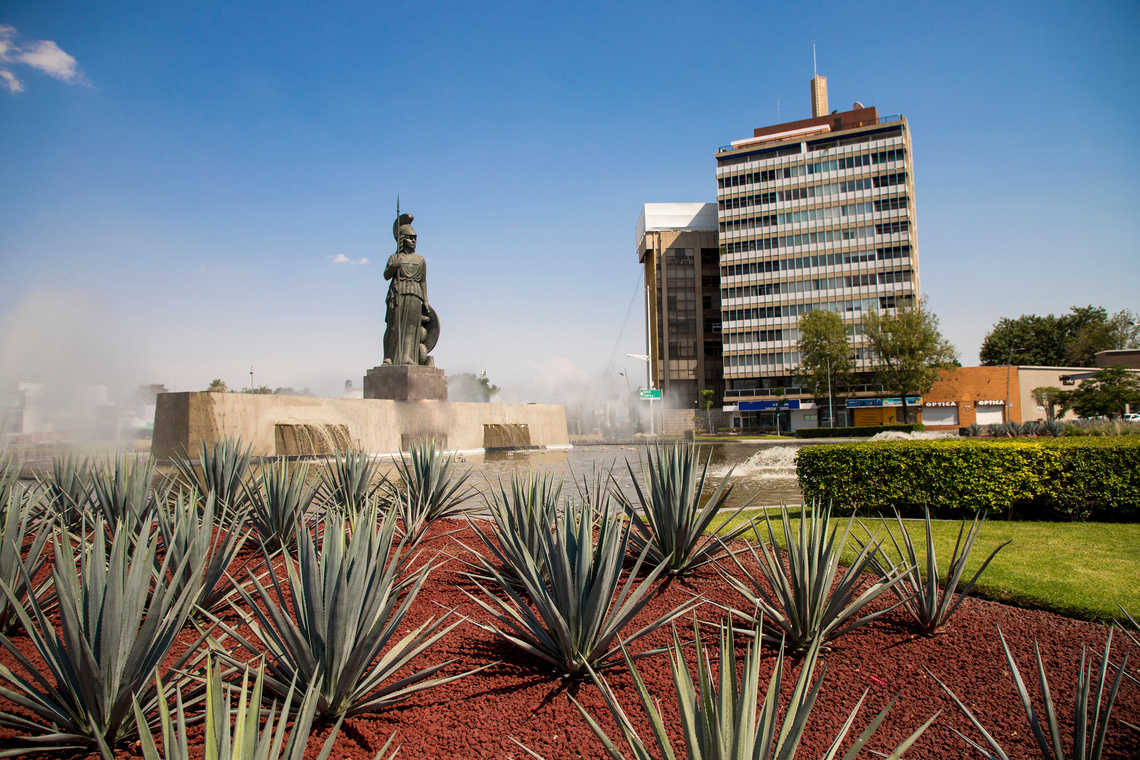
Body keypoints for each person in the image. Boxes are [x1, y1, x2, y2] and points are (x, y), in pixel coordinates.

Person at [383, 212, 433, 365]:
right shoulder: (395, 257)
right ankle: (389, 358)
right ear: (402, 240)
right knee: (393, 328)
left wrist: (425, 300)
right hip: (398, 294)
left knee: (412, 328)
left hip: (414, 294)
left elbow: (423, 281)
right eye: (410, 238)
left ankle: (407, 356)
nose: (413, 241)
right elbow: (386, 275)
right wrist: (394, 266)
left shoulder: (420, 260)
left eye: (415, 238)